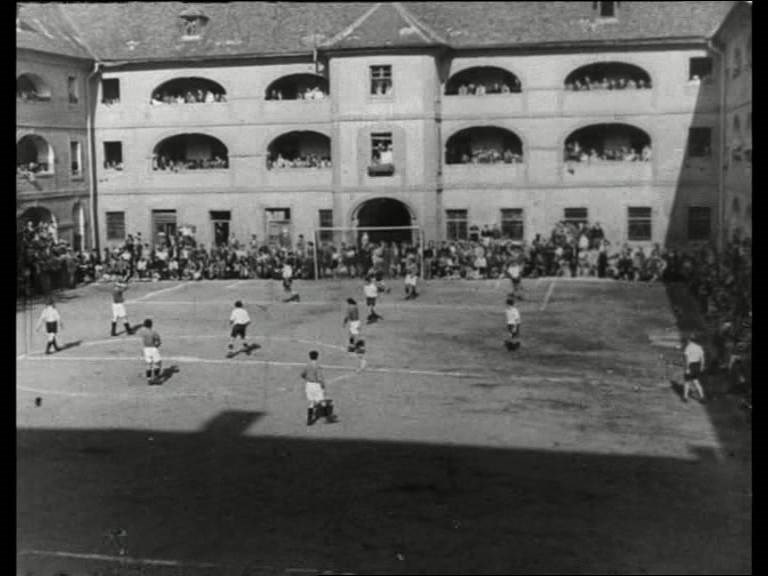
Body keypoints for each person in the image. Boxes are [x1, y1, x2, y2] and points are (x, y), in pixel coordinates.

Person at [301, 350, 337, 425]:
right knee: (322, 401)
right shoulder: (318, 366)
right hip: (316, 385)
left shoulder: (307, 365)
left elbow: (302, 375)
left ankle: (309, 420)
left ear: (309, 356)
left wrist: (307, 379)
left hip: (309, 385)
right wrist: (323, 386)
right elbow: (319, 378)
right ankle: (328, 418)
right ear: (317, 357)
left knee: (311, 402)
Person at [682, 334, 706, 403]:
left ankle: (685, 397)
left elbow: (687, 359)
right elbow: (702, 358)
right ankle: (702, 397)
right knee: (696, 381)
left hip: (690, 365)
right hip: (697, 365)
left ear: (689, 340)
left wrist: (687, 368)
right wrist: (702, 367)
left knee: (687, 382)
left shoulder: (688, 347)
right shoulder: (699, 347)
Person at [139, 318, 162, 385]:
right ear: (151, 325)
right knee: (157, 364)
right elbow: (158, 341)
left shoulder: (142, 332)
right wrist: (157, 345)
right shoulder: (154, 332)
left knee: (148, 364)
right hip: (153, 349)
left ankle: (149, 379)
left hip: (146, 349)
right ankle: (156, 378)